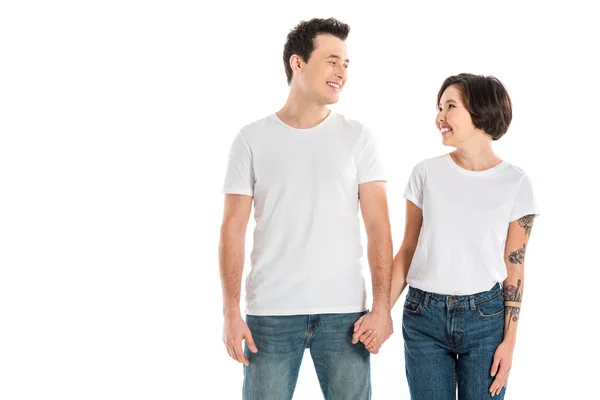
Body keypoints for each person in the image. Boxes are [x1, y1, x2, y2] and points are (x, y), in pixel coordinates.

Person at [219, 18, 393, 399]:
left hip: (346, 314)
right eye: (332, 61)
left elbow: (379, 227)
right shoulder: (251, 139)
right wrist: (231, 312)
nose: (342, 73)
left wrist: (382, 308)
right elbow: (232, 229)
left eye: (346, 64)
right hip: (270, 314)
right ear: (298, 63)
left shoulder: (358, 137)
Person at [354, 73, 539, 399]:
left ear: (480, 112)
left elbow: (515, 267)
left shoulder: (516, 183)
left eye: (449, 106)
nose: (439, 116)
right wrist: (381, 310)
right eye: (439, 107)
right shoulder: (426, 173)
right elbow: (408, 249)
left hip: (486, 319)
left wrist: (509, 343)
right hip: (423, 317)